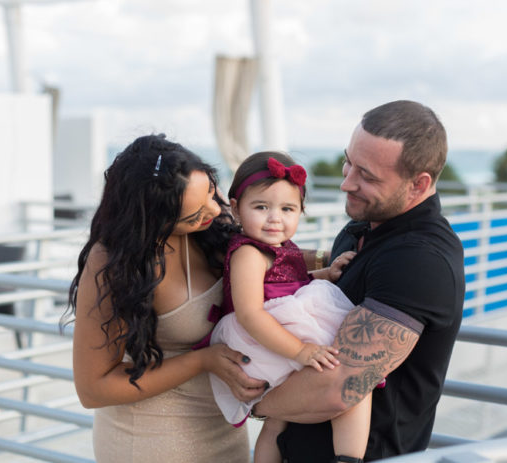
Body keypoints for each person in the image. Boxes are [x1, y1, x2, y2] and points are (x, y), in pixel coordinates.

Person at [253, 100, 466, 462]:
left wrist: (251, 401)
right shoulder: (364, 226)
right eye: (348, 161)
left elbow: (339, 387)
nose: (345, 182)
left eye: (367, 176)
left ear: (419, 184)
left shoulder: (420, 259)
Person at [65, 134, 267, 463]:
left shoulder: (213, 226)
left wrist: (328, 262)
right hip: (151, 438)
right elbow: (93, 389)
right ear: (153, 220)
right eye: (192, 216)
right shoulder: (115, 263)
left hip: (222, 428)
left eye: (211, 193)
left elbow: (267, 262)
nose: (215, 211)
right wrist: (202, 360)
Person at [208, 151, 371, 463]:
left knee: (278, 419)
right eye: (261, 207)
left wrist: (325, 273)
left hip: (276, 331)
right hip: (261, 339)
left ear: (301, 211)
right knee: (354, 382)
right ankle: (349, 458)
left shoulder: (279, 248)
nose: (275, 218)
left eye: (287, 209)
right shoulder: (249, 254)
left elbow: (286, 283)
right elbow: (250, 312)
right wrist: (301, 351)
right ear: (236, 208)